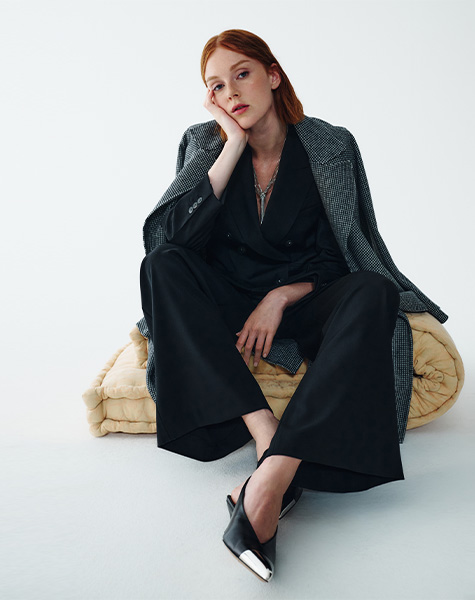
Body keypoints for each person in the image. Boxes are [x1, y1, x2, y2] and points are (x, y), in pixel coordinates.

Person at [139, 29, 403, 582]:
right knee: (162, 263)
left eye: (242, 74)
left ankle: (269, 478)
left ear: (273, 75)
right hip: (224, 303)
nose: (232, 91)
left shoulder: (329, 144)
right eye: (216, 85)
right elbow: (173, 239)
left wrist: (279, 298)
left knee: (374, 291)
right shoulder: (203, 142)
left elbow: (342, 253)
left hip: (300, 298)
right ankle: (266, 433)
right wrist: (232, 143)